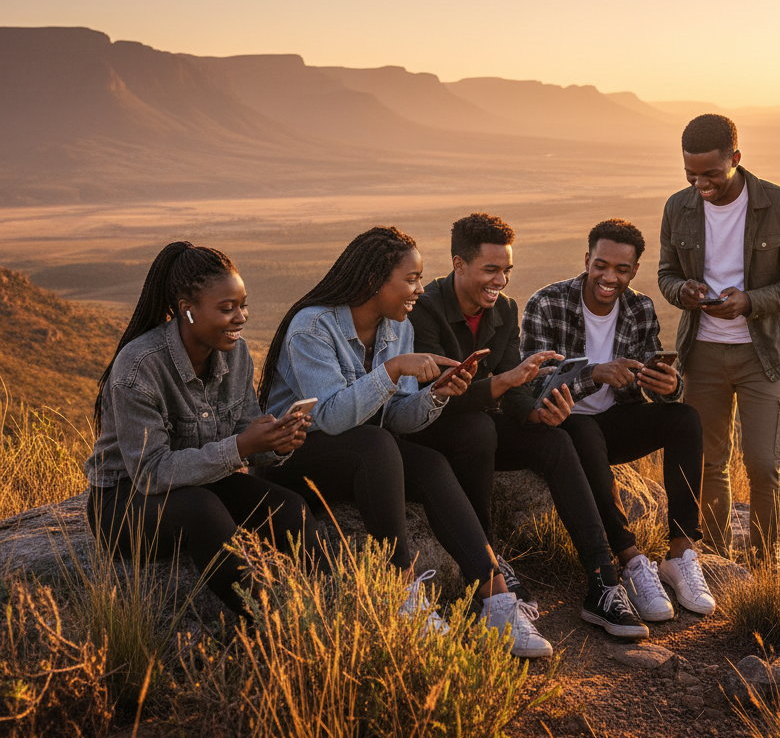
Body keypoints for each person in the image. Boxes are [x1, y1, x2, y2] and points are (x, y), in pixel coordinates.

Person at [257, 226, 552, 657]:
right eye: (410, 280)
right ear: (375, 281)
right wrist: (392, 370)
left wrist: (436, 394)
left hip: (362, 455)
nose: (418, 290)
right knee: (375, 445)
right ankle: (403, 596)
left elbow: (396, 418)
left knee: (428, 462)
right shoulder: (313, 327)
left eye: (419, 279)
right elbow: (331, 418)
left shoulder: (397, 328)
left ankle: (497, 601)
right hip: (296, 459)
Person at [407, 213, 648, 638]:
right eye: (490, 270)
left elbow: (514, 389)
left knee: (555, 437)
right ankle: (488, 565)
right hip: (433, 429)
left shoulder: (504, 309)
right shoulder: (423, 309)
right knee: (478, 431)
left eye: (506, 271)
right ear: (458, 264)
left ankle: (603, 581)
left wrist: (535, 412)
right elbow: (436, 396)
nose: (500, 281)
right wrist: (503, 383)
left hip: (481, 426)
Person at [85, 241, 327, 617]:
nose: (241, 317)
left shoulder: (237, 353)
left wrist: (278, 442)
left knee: (288, 508)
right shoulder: (139, 368)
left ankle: (337, 614)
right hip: (125, 502)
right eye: (227, 308)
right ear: (188, 310)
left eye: (243, 305)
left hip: (200, 481)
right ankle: (270, 628)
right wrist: (240, 448)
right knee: (202, 510)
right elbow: (149, 473)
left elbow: (246, 432)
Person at [521, 219, 716, 618]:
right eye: (601, 265)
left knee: (686, 418)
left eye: (621, 270)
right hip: (564, 427)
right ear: (587, 260)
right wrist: (595, 373)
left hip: (615, 422)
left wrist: (667, 385)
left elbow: (643, 381)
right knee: (587, 429)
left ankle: (679, 553)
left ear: (634, 271)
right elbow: (533, 390)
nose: (609, 277)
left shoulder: (639, 308)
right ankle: (631, 559)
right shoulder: (547, 303)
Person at [658, 113, 780, 565]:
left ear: (736, 159)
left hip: (763, 353)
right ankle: (719, 565)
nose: (700, 184)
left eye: (710, 174)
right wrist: (682, 291)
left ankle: (763, 567)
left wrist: (749, 301)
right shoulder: (678, 207)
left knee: (766, 466)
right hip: (703, 352)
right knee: (709, 463)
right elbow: (666, 274)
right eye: (690, 174)